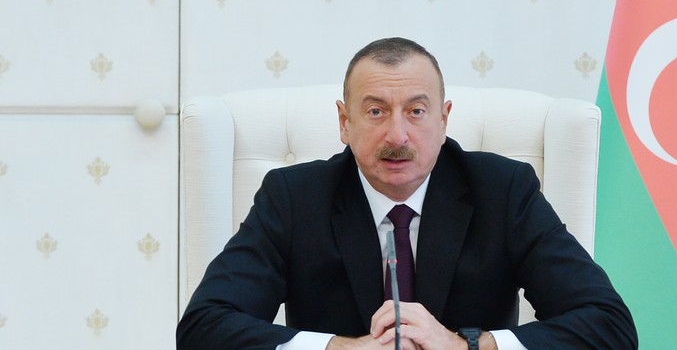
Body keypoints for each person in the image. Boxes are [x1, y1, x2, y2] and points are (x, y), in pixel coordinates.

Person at [177, 37, 638, 350]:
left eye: (416, 111)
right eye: (376, 111)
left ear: (444, 119)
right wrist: (339, 349)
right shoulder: (294, 198)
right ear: (344, 123)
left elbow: (608, 325)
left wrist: (467, 346)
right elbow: (203, 327)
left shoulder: (503, 191)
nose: (397, 135)